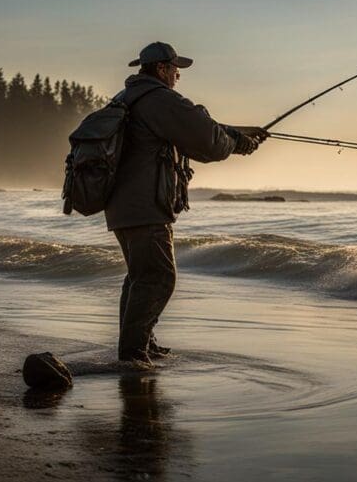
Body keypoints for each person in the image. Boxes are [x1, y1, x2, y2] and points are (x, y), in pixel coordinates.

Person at [105, 42, 267, 367]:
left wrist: (233, 134)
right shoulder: (159, 99)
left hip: (123, 205)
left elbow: (193, 129)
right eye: (176, 68)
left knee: (141, 275)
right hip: (144, 204)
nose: (179, 75)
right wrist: (237, 144)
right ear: (162, 69)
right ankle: (133, 354)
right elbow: (205, 140)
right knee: (158, 277)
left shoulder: (128, 98)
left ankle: (141, 344)